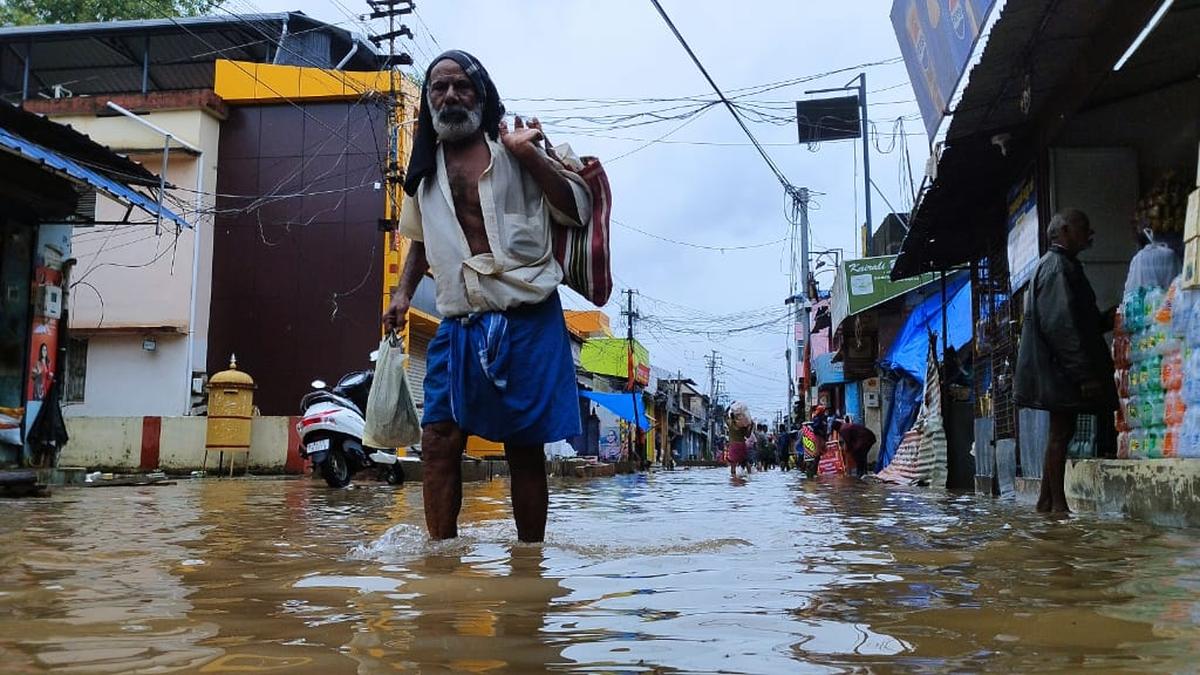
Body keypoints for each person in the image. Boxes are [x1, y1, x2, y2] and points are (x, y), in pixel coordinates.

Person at [382, 50, 593, 542]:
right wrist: (402, 292)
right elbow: (418, 238)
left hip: (528, 318)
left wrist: (528, 156)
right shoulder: (424, 171)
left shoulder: (518, 148)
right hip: (460, 323)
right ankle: (441, 562)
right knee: (437, 441)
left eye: (462, 86)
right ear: (429, 101)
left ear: (481, 95)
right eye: (439, 88)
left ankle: (529, 565)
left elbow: (576, 209)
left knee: (524, 448)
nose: (451, 96)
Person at [1014, 209, 1118, 514]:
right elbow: (1063, 327)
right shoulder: (1057, 268)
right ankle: (1058, 506)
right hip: (1058, 370)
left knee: (1059, 434)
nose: (1090, 232)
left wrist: (1105, 320)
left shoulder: (1058, 265)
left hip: (1057, 368)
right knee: (1060, 434)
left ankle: (1046, 502)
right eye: (1082, 226)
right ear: (1063, 231)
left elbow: (1078, 322)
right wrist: (1084, 375)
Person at [726, 410, 751, 477]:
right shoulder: (742, 425)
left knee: (733, 465)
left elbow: (725, 416)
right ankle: (750, 476)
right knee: (746, 463)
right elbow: (747, 436)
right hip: (742, 445)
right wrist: (750, 427)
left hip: (733, 446)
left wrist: (729, 408)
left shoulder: (730, 423)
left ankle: (733, 477)